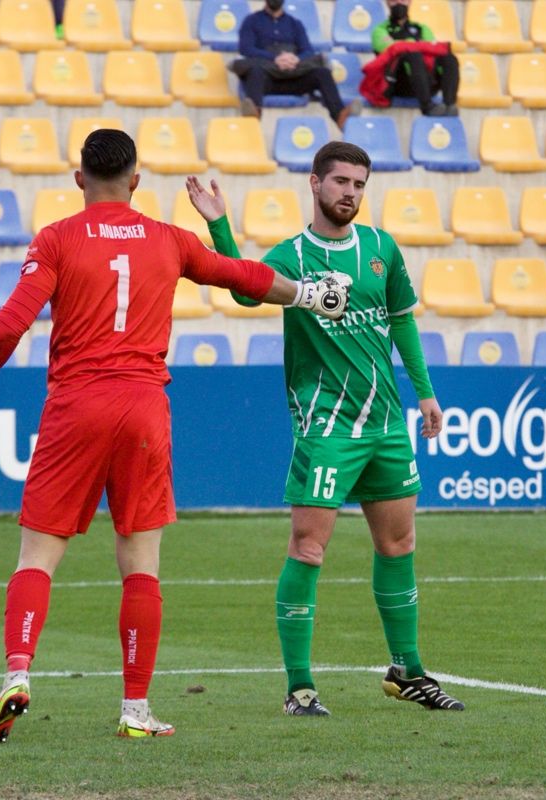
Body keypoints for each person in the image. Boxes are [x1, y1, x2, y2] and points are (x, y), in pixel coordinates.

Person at [0, 129, 351, 743]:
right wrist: (311, 294)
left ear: (80, 180)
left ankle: (16, 675)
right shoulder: (169, 238)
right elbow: (245, 277)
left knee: (37, 558)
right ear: (136, 182)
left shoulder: (57, 239)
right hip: (143, 410)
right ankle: (135, 709)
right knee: (141, 567)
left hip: (75, 406)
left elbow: (9, 326)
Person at [185, 141, 465, 716]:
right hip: (327, 424)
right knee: (309, 548)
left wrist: (426, 392)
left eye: (360, 185)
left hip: (386, 422)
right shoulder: (293, 257)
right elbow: (244, 288)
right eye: (340, 182)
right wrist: (221, 229)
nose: (350, 194)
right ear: (314, 184)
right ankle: (300, 686)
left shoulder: (382, 248)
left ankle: (407, 670)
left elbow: (402, 324)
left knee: (399, 543)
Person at [235, 0, 361, 128]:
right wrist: (275, 58)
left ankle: (340, 115)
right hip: (267, 79)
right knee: (255, 70)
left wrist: (295, 59)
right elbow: (246, 48)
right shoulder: (251, 21)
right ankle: (253, 117)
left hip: (294, 77)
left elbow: (307, 51)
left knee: (322, 73)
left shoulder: (294, 23)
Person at [369, 0, 459, 116]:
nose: (399, 3)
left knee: (448, 58)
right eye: (394, 1)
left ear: (410, 2)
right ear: (387, 3)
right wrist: (416, 44)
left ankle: (449, 104)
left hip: (425, 81)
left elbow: (433, 49)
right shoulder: (380, 30)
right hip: (397, 84)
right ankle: (427, 107)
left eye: (403, 0)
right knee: (413, 55)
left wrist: (405, 45)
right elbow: (391, 49)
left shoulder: (421, 28)